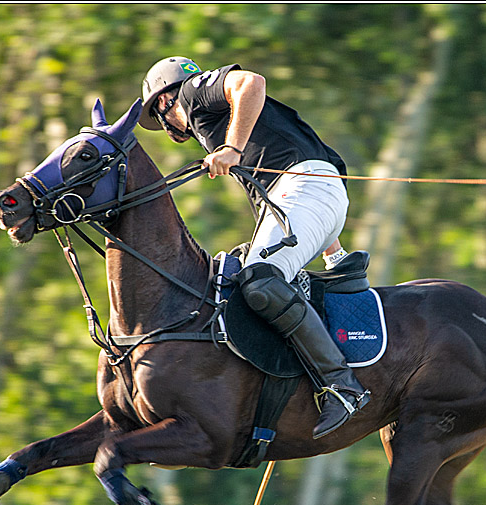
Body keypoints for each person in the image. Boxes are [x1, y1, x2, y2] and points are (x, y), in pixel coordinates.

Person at [139, 56, 370, 439]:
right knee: (248, 272)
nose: (166, 128)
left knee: (259, 279)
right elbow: (310, 181)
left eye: (158, 117)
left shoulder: (192, 94)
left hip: (305, 187)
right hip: (313, 194)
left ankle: (341, 385)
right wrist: (333, 252)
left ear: (164, 102)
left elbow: (252, 83)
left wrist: (231, 147)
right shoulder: (225, 122)